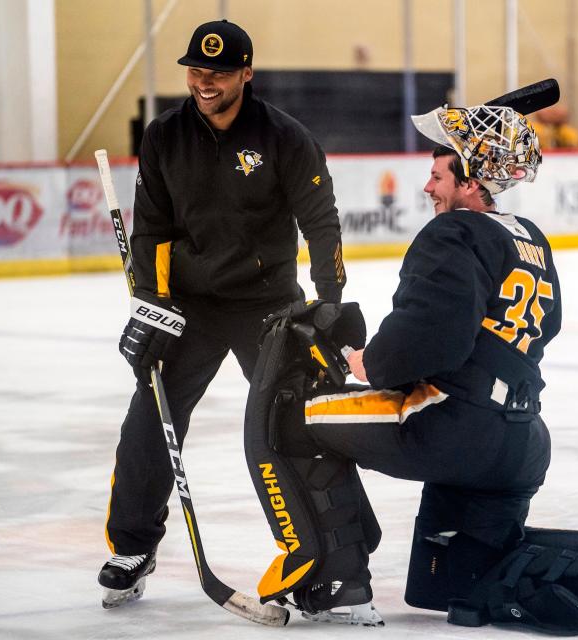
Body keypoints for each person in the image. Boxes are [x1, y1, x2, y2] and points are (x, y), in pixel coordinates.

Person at [246, 102, 578, 633]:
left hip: (452, 427)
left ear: (471, 183)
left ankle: (337, 583)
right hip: (519, 445)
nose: (428, 187)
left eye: (437, 175)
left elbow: (433, 334)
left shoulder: (454, 232)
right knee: (457, 583)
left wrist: (373, 362)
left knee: (289, 419)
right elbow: (546, 327)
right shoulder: (528, 237)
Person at [98, 19, 345, 608]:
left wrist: (329, 300)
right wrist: (152, 309)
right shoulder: (164, 136)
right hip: (189, 303)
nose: (204, 82)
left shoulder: (285, 137)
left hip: (268, 305)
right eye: (196, 71)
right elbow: (152, 231)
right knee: (150, 418)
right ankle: (133, 544)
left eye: (219, 72)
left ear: (246, 74)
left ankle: (326, 556)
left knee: (292, 425)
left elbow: (321, 221)